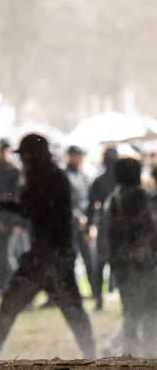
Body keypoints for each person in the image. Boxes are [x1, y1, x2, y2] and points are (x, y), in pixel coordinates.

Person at [0, 134, 95, 359]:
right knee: (74, 313)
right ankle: (92, 355)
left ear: (29, 157)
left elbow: (29, 209)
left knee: (10, 307)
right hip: (56, 255)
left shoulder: (43, 179)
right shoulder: (53, 176)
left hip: (47, 257)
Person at [105, 157, 157, 356]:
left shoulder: (113, 198)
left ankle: (131, 352)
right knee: (150, 309)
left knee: (130, 311)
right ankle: (150, 352)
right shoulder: (139, 196)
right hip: (142, 264)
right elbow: (149, 229)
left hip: (122, 264)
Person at [64, 145, 99, 308]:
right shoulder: (64, 176)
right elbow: (65, 201)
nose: (78, 159)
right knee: (70, 261)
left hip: (85, 226)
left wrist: (91, 223)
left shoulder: (84, 176)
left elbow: (90, 201)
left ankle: (96, 294)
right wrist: (77, 217)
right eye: (75, 156)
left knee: (90, 261)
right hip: (70, 226)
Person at [0, 140, 25, 294]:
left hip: (9, 220)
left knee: (9, 256)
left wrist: (13, 223)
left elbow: (15, 200)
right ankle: (3, 287)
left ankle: (16, 289)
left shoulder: (14, 172)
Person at [88, 146, 119, 311]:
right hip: (110, 228)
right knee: (105, 265)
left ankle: (99, 299)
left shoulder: (100, 180)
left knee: (101, 265)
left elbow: (91, 207)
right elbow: (92, 206)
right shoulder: (114, 181)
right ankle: (100, 299)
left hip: (108, 227)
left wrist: (90, 225)